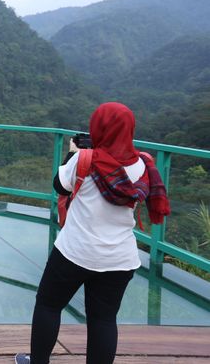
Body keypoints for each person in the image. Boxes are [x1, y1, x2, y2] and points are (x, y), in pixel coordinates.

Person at [15, 102, 169, 364]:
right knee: (103, 320)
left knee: (49, 305)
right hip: (119, 258)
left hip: (74, 252)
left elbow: (60, 186)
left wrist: (73, 153)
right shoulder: (144, 165)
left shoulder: (84, 159)